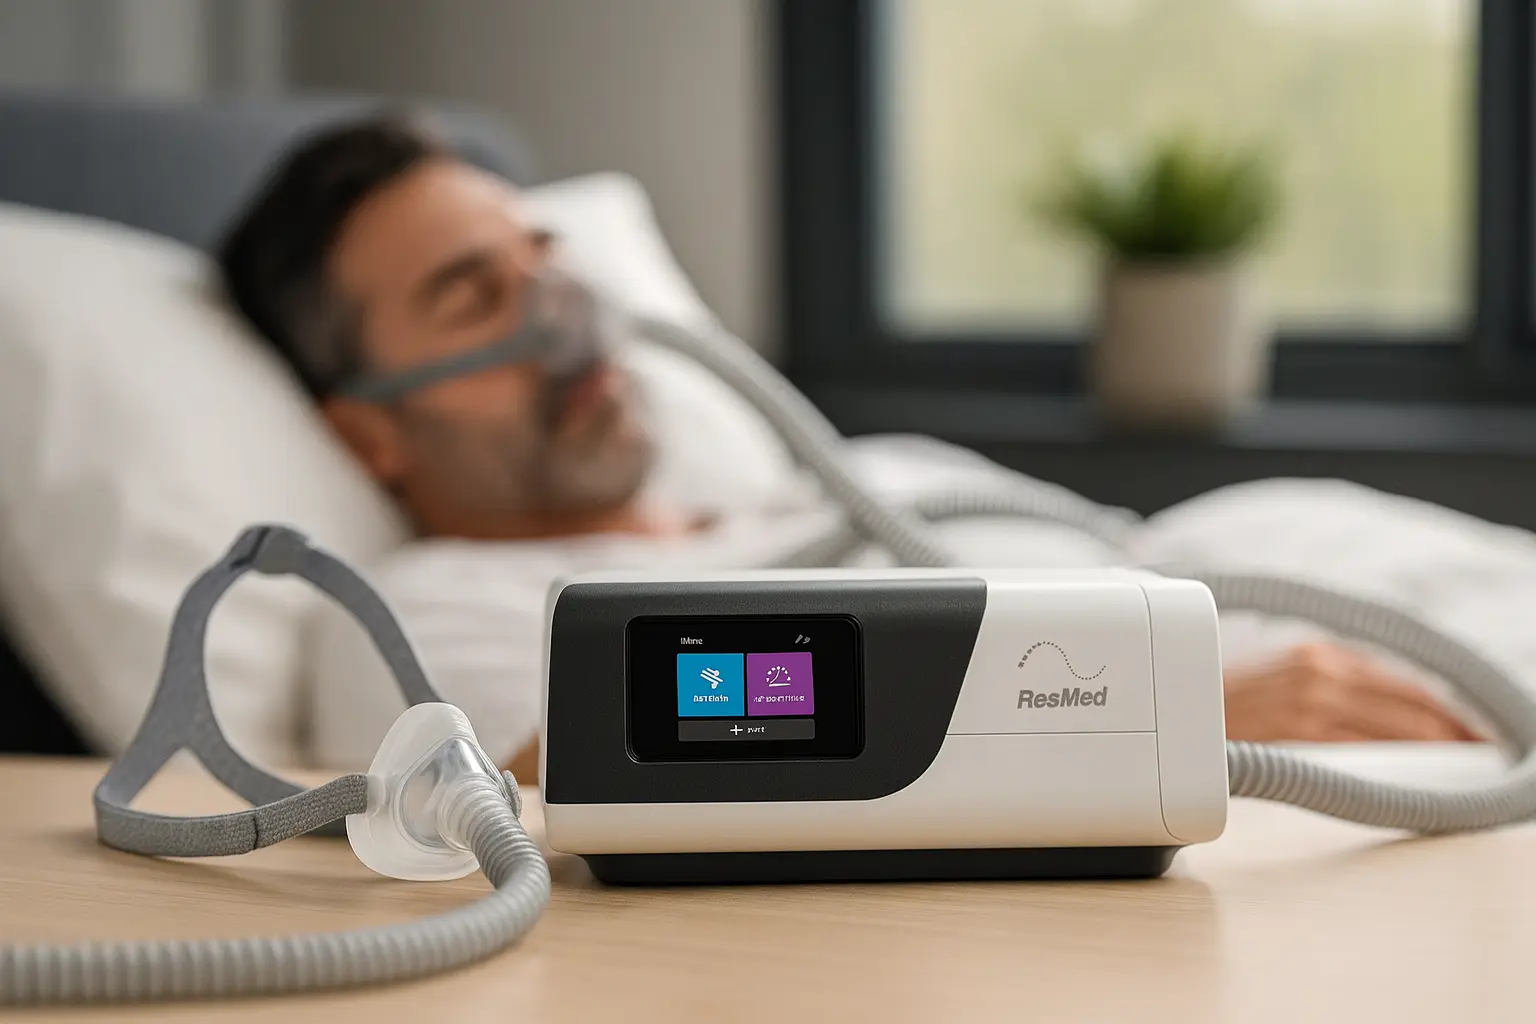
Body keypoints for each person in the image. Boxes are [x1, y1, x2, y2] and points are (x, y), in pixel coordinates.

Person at [216, 115, 1480, 773]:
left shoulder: (866, 478)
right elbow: (600, 783)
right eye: (473, 297)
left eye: (541, 258)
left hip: (1331, 589)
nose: (564, 312)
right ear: (368, 424)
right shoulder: (438, 616)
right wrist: (1153, 709)